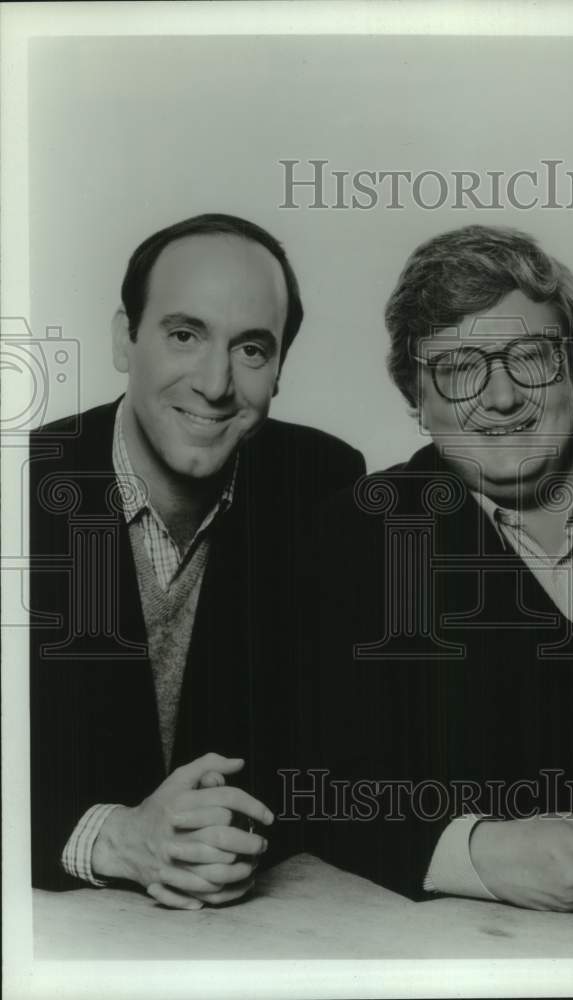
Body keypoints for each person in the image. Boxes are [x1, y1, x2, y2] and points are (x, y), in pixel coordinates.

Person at [304, 225, 573, 931]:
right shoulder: (355, 539)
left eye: (531, 356)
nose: (500, 399)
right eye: (459, 368)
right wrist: (477, 849)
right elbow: (314, 778)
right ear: (417, 398)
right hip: (523, 947)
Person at [29, 213, 365, 909]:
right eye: (184, 335)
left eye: (251, 350)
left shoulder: (321, 481)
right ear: (125, 339)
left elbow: (339, 749)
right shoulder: (21, 489)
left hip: (246, 933)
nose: (215, 383)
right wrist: (113, 836)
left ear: (279, 368)